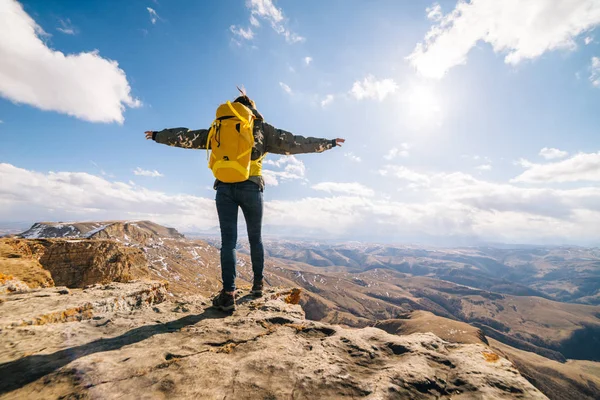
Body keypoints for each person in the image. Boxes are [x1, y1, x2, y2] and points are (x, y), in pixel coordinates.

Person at [145, 92, 344, 311]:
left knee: (228, 242)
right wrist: (328, 143)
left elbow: (188, 137)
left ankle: (228, 295)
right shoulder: (260, 128)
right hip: (251, 186)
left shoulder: (220, 126)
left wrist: (158, 135)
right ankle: (257, 285)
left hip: (223, 188)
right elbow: (295, 142)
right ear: (253, 109)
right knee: (255, 239)